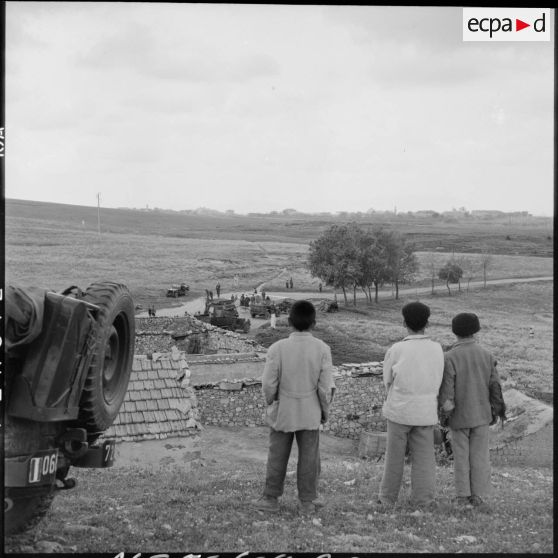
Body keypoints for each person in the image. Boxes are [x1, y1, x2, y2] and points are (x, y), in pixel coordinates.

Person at [252, 300, 335, 515]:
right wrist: (323, 413)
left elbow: (268, 384)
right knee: (309, 457)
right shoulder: (322, 349)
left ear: (289, 322)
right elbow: (326, 388)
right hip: (310, 412)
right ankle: (307, 501)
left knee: (277, 454)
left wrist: (272, 402)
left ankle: (270, 498)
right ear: (314, 323)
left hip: (283, 412)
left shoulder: (277, 348)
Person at [377, 301, 444, 508]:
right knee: (425, 459)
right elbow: (438, 379)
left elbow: (387, 380)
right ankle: (423, 500)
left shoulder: (397, 349)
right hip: (425, 411)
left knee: (394, 457)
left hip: (399, 410)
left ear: (404, 322)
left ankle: (387, 499)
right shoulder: (437, 349)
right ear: (428, 323)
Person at [438, 313, 506, 510]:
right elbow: (495, 387)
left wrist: (444, 417)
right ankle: (478, 495)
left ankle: (462, 496)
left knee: (461, 456)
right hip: (482, 415)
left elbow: (448, 394)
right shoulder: (487, 355)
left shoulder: (449, 356)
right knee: (480, 456)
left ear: (454, 332)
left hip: (459, 417)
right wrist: (497, 411)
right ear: (476, 330)